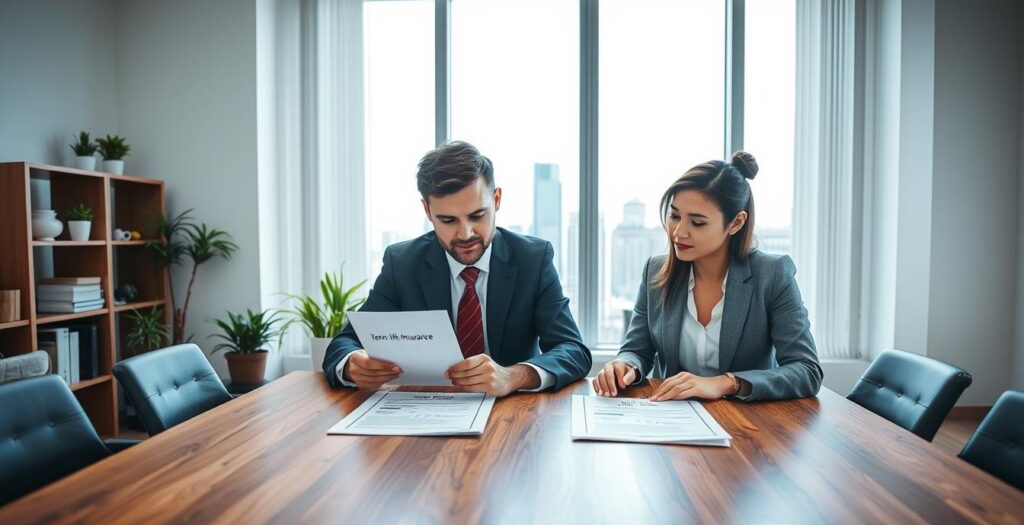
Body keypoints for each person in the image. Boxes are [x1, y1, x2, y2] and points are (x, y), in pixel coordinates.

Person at [324, 141, 592, 396]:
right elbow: (344, 344)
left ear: (496, 200)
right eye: (448, 220)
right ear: (428, 211)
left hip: (510, 418)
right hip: (423, 412)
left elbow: (573, 350)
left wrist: (513, 376)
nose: (465, 234)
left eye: (477, 216)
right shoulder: (402, 263)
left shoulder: (532, 259)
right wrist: (351, 364)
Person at [593, 151, 822, 402]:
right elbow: (637, 350)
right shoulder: (655, 272)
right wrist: (626, 366)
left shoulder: (772, 274)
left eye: (697, 222)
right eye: (675, 216)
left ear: (735, 223)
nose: (678, 232)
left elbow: (806, 370)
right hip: (670, 417)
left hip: (747, 425)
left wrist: (726, 383)